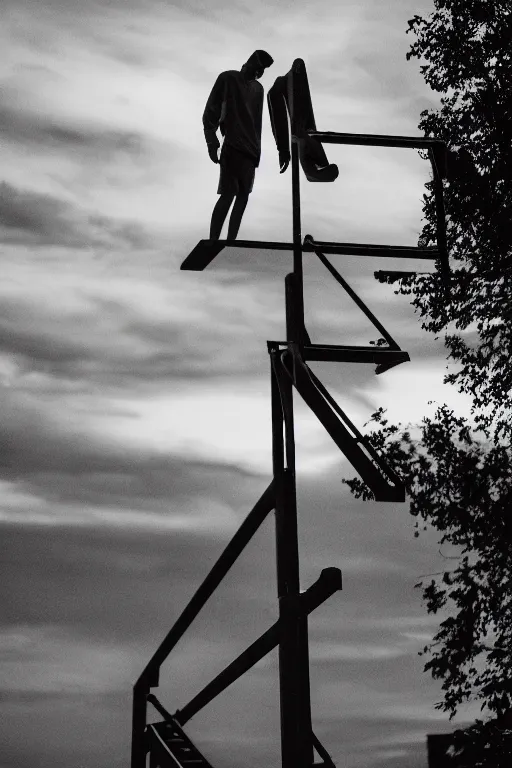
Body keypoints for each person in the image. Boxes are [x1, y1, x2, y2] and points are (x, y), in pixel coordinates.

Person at [203, 50, 275, 240]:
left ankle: (231, 239)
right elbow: (212, 108)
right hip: (233, 145)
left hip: (251, 149)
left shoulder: (258, 90)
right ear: (250, 64)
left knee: (243, 195)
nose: (260, 72)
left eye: (263, 69)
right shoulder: (228, 78)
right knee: (229, 193)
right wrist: (211, 138)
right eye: (259, 67)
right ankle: (214, 239)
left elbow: (257, 123)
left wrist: (257, 153)